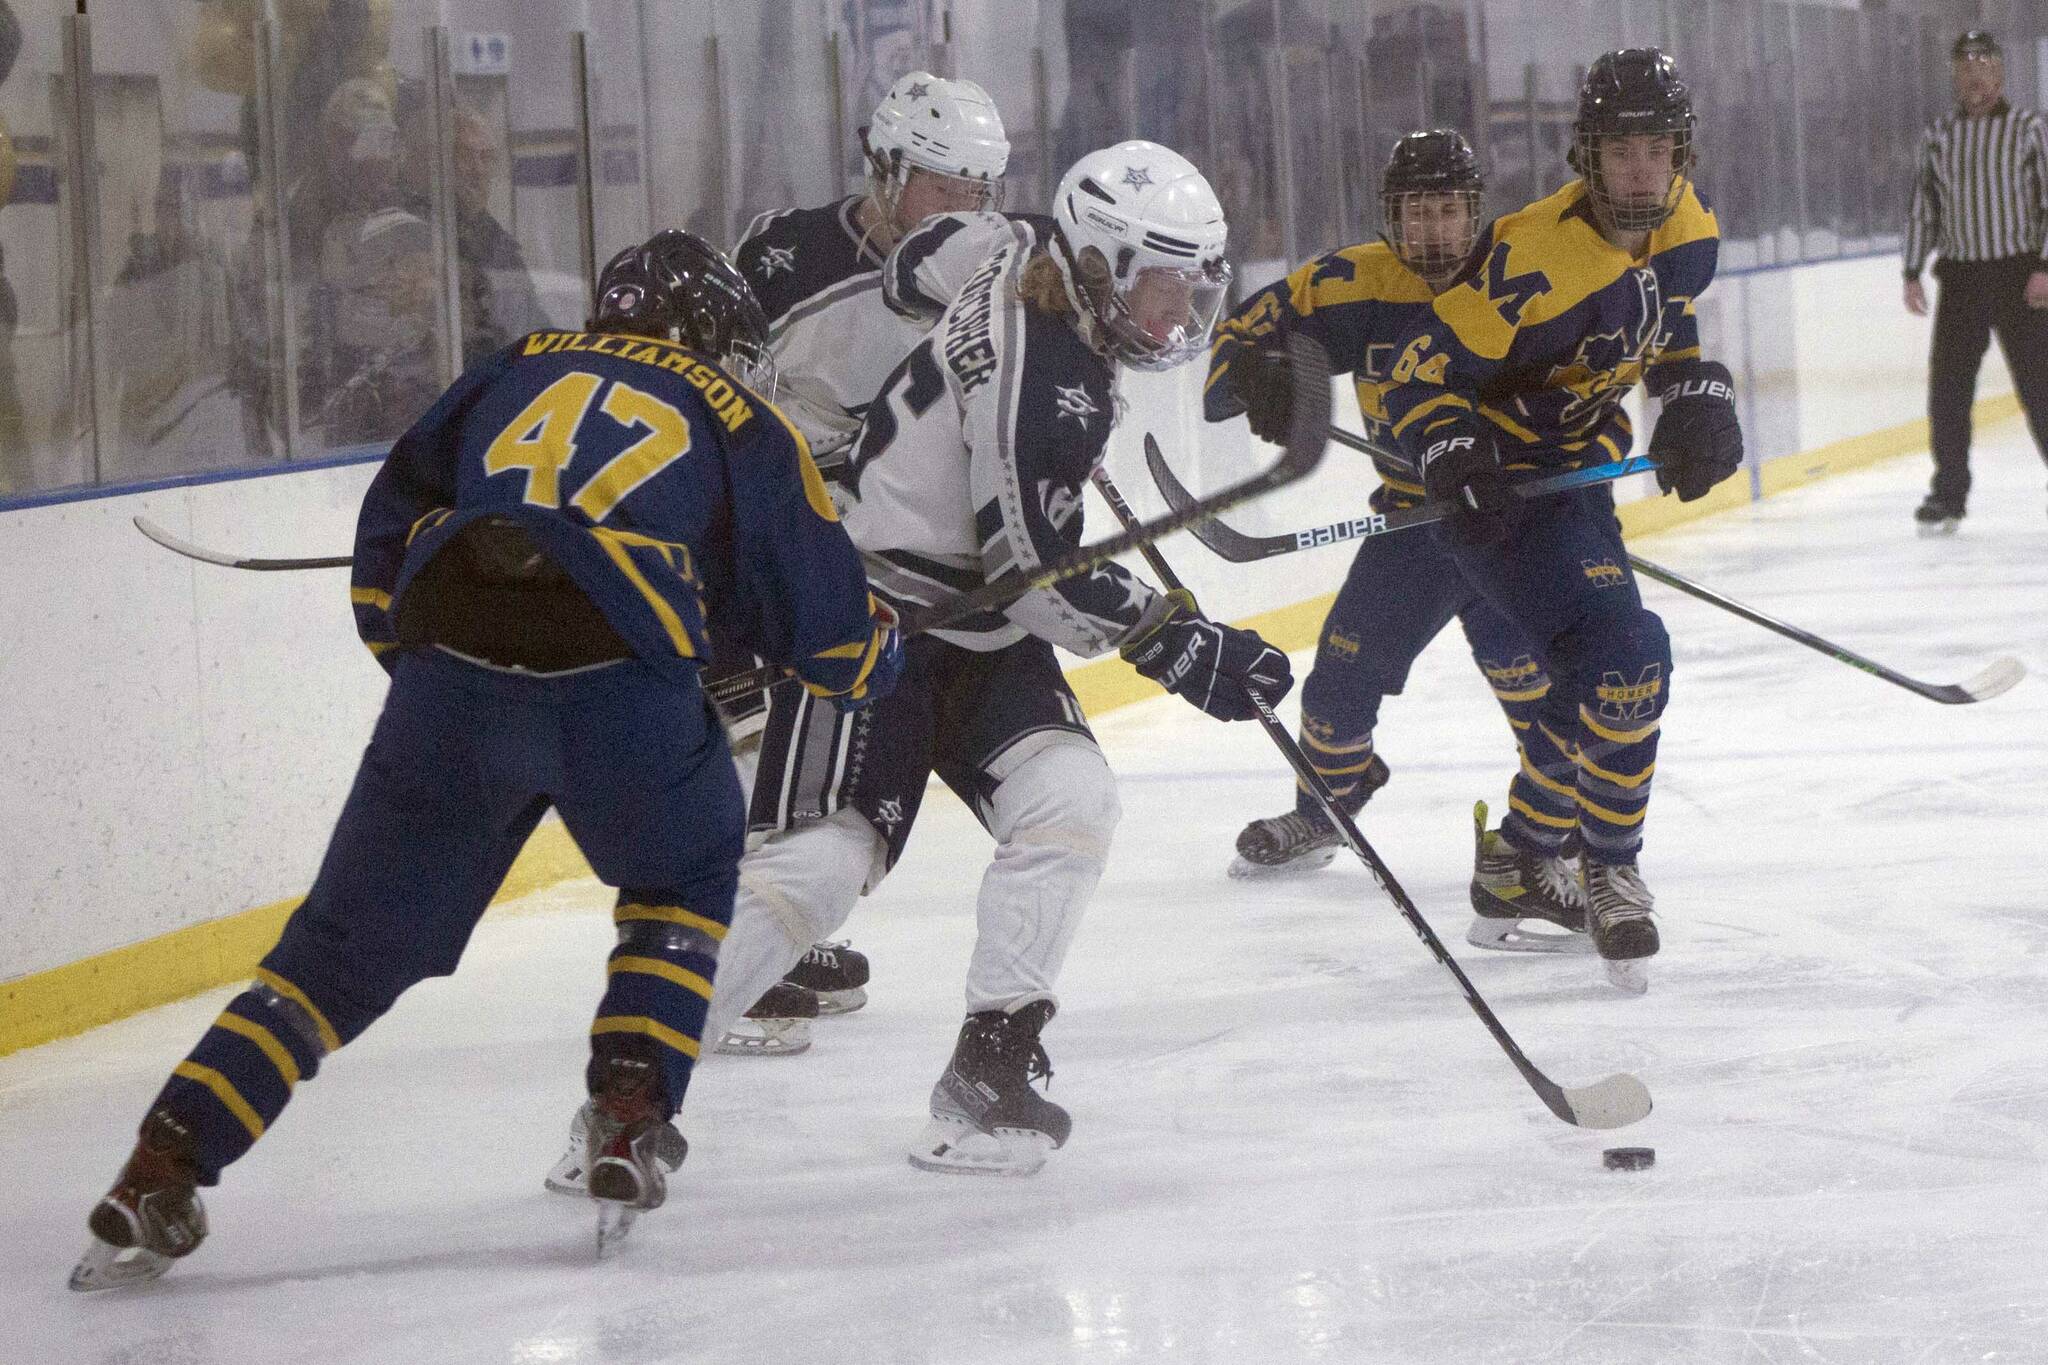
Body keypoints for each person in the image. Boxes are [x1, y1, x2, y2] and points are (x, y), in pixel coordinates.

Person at [68, 230, 902, 1290]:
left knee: (335, 955)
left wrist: (443, 678)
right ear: (707, 335)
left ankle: (161, 1163)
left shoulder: (510, 366)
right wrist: (874, 656)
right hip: (620, 697)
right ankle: (626, 1119)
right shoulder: (733, 411)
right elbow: (822, 630)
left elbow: (387, 545)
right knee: (685, 873)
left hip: (450, 682)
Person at [566, 140, 1292, 1182]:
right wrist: (1186, 647)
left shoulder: (1018, 242)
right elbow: (1037, 574)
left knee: (1070, 803)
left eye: (1193, 289)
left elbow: (918, 261)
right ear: (1100, 266)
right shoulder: (1043, 374)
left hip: (974, 630)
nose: (1178, 317)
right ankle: (622, 1097)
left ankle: (989, 1068)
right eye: (1165, 289)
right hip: (872, 625)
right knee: (818, 867)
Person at [1370, 50, 1743, 992]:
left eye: (1658, 149)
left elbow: (1670, 314)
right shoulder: (1529, 259)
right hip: (1499, 500)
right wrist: (1452, 454)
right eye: (1622, 151)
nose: (1642, 173)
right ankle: (1608, 866)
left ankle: (1520, 857)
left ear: (1680, 151)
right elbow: (1419, 372)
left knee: (1598, 678)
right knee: (1628, 662)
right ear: (1587, 154)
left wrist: (1694, 392)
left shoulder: (1689, 224)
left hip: (1575, 480)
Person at [1211, 131, 1589, 954]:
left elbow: (1586, 387)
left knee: (1550, 701)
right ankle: (1325, 810)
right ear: (1392, 215)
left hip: (1508, 527)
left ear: (1476, 213)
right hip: (1414, 529)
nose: (1433, 231)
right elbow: (1230, 342)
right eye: (1417, 212)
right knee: (1334, 692)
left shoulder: (1520, 276)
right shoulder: (1354, 281)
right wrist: (1266, 376)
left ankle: (1560, 836)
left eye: (1448, 210)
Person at [699, 70, 1012, 1054]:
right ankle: (724, 961)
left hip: (864, 554)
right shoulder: (783, 251)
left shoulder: (983, 273)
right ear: (883, 169)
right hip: (760, 538)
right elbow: (713, 386)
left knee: (814, 753)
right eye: (941, 185)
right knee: (751, 739)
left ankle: (764, 943)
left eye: (978, 189)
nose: (962, 209)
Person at [1901, 29, 2048, 536]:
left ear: (2000, 72)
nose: (1973, 75)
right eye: (1964, 66)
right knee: (1948, 391)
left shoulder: (2029, 129)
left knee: (2041, 387)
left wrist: (2044, 268)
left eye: (1982, 64)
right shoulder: (1939, 135)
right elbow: (1926, 207)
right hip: (1962, 277)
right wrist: (1912, 270)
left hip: (2019, 273)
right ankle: (1948, 494)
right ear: (1954, 75)